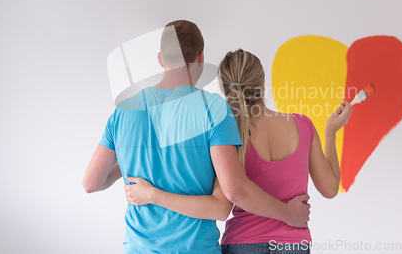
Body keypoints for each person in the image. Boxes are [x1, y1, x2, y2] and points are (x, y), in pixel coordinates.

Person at [82, 22, 311, 254]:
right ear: (201, 57)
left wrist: (135, 156)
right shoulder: (213, 109)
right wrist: (289, 214)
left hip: (138, 248)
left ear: (161, 59)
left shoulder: (124, 111)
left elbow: (91, 183)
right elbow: (223, 207)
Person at [125, 48, 353, 254]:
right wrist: (331, 132)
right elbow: (330, 189)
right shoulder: (303, 126)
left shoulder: (224, 132)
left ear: (225, 89)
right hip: (293, 245)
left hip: (243, 243)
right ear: (263, 83)